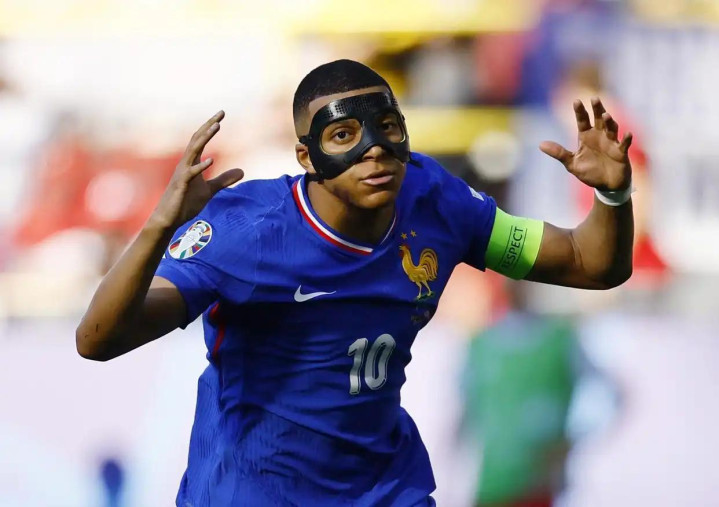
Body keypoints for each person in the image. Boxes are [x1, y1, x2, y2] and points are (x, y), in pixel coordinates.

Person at [76, 59, 635, 506]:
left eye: (387, 127)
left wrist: (612, 195)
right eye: (344, 133)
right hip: (252, 493)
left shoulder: (436, 201)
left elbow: (589, 263)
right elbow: (98, 339)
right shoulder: (246, 229)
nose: (374, 147)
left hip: (384, 490)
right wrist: (158, 226)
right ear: (307, 155)